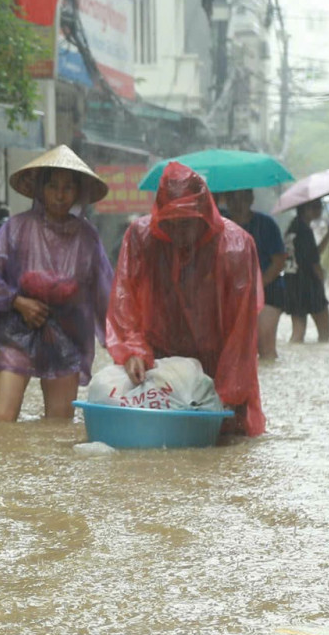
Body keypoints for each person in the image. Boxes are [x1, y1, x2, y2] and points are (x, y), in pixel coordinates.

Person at [104, 162, 266, 436]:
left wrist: (230, 390)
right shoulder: (142, 238)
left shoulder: (235, 247)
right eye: (171, 223)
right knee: (156, 440)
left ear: (204, 213)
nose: (179, 232)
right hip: (159, 359)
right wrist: (133, 352)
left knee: (225, 444)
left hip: (217, 360)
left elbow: (241, 333)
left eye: (187, 222)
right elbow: (124, 303)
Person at [0, 146, 113, 422]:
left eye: (67, 188)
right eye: (52, 186)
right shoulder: (16, 228)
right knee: (2, 420)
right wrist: (18, 301)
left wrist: (119, 341)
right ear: (41, 189)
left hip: (67, 333)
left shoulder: (87, 237)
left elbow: (104, 291)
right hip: (17, 328)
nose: (60, 195)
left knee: (59, 427)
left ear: (78, 192)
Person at [215, 188, 286, 361]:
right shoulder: (219, 224)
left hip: (268, 290)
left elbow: (279, 261)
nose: (238, 204)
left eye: (243, 198)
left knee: (265, 346)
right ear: (226, 200)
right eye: (233, 199)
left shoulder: (266, 224)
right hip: (231, 294)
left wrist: (257, 287)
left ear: (251, 198)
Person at [275, 197, 329, 343]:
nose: (319, 210)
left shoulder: (293, 227)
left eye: (319, 206)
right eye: (315, 206)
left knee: (298, 332)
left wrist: (328, 235)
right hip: (309, 284)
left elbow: (311, 253)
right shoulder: (305, 231)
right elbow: (314, 262)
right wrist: (321, 279)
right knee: (325, 330)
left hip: (292, 283)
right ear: (305, 209)